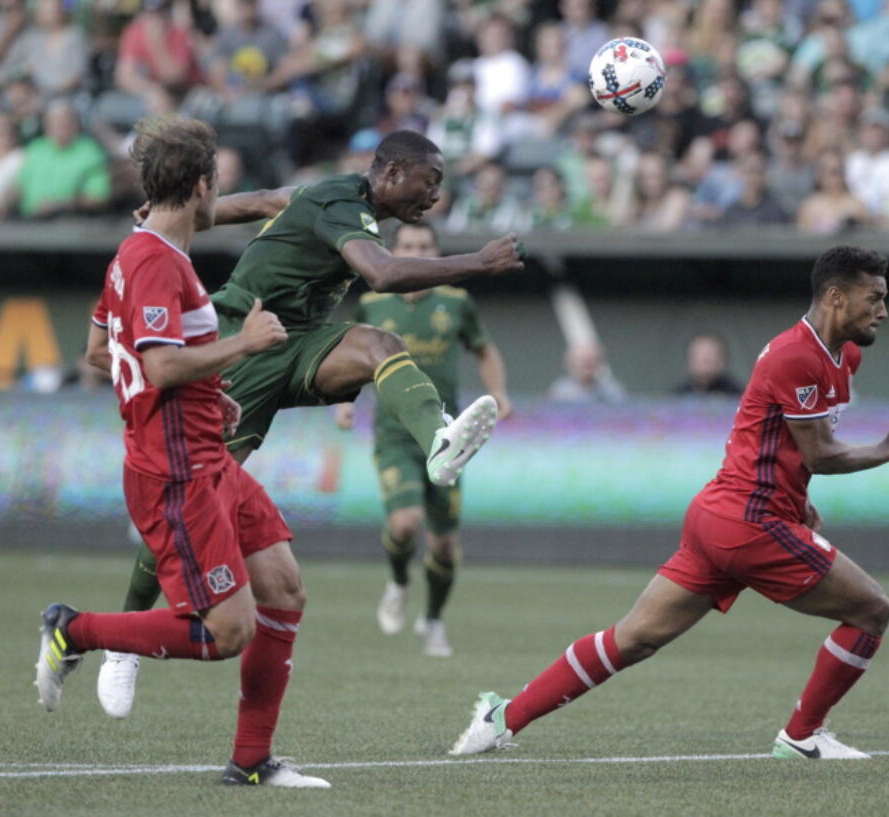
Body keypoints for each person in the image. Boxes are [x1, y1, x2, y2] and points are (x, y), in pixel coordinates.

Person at [450, 245, 889, 760]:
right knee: (871, 611)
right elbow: (818, 453)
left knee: (633, 638)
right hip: (750, 522)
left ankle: (502, 718)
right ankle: (801, 735)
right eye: (875, 298)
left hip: (722, 515)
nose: (884, 311)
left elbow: (782, 444)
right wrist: (887, 450)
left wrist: (799, 501)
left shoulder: (844, 355)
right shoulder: (795, 355)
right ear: (837, 297)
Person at [95, 128, 523, 719]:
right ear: (393, 172)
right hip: (244, 341)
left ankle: (439, 439)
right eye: (431, 181)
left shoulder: (335, 200)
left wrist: (195, 211)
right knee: (190, 498)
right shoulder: (339, 203)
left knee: (379, 343)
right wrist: (478, 261)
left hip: (298, 342)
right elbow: (382, 275)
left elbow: (269, 198)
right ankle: (125, 641)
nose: (435, 196)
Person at [33, 116, 328, 788]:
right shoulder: (156, 263)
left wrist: (208, 392)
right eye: (217, 179)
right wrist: (244, 344)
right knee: (227, 632)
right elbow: (160, 366)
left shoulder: (138, 254)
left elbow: (101, 352)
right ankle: (73, 630)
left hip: (205, 455)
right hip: (176, 474)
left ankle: (251, 761)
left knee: (283, 585)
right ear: (202, 185)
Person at [334, 222, 512, 657]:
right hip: (395, 434)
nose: (417, 251)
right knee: (405, 522)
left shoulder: (456, 300)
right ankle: (397, 581)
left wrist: (499, 392)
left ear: (435, 252)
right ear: (393, 253)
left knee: (445, 544)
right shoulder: (374, 303)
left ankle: (432, 620)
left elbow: (484, 349)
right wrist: (344, 401)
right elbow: (350, 356)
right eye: (408, 246)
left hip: (449, 436)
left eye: (424, 246)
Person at [672, 333, 743, 395]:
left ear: (723, 359)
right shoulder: (676, 398)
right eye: (699, 355)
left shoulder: (739, 396)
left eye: (711, 355)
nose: (706, 359)